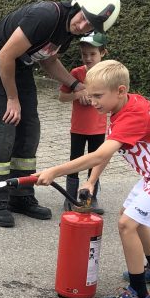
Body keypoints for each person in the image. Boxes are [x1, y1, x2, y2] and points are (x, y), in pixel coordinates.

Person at [35, 60, 150, 298]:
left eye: (98, 96)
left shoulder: (133, 116)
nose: (93, 102)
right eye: (90, 95)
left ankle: (139, 294)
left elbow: (100, 155)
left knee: (127, 224)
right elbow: (109, 149)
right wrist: (90, 181)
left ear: (120, 90)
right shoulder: (125, 106)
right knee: (130, 216)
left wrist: (55, 171)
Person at [0, 0, 120, 228]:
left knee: (29, 129)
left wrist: (76, 85)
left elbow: (49, 60)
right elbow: (4, 55)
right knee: (4, 128)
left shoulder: (67, 31)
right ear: (77, 5)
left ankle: (20, 195)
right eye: (84, 17)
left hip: (19, 67)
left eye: (91, 25)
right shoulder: (46, 16)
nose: (83, 26)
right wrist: (12, 98)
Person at [58, 32, 109, 210]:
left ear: (103, 53)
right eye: (84, 54)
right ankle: (70, 197)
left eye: (92, 54)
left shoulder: (108, 75)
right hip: (78, 128)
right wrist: (78, 94)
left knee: (95, 163)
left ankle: (91, 198)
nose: (88, 58)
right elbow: (62, 97)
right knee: (75, 162)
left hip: (98, 128)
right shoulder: (76, 73)